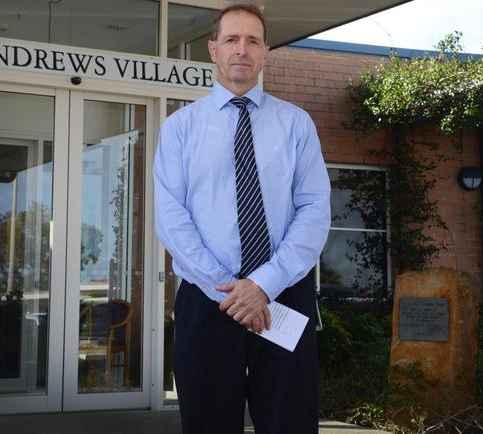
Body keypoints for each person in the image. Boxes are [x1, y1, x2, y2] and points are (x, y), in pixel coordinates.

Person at [153, 3, 331, 434]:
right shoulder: (180, 128)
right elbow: (171, 219)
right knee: (208, 422)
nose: (241, 49)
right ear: (213, 50)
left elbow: (315, 209)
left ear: (266, 51)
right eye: (231, 39)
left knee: (290, 422)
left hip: (283, 296)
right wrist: (232, 293)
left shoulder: (297, 125)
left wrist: (263, 285)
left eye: (252, 40)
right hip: (207, 298)